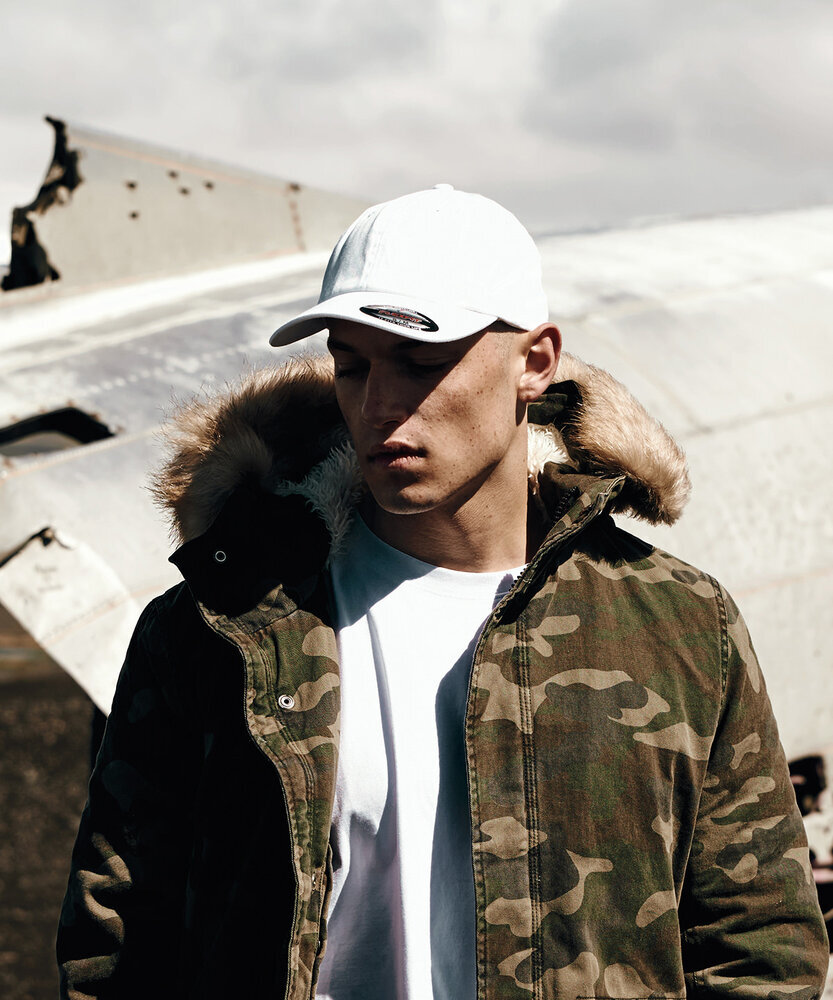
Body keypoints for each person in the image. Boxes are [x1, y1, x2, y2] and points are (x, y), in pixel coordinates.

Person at [58, 186, 828, 1000]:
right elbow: (117, 942)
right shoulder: (230, 625)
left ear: (534, 362)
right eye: (351, 366)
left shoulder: (677, 624)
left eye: (421, 363)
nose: (378, 406)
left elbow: (758, 948)